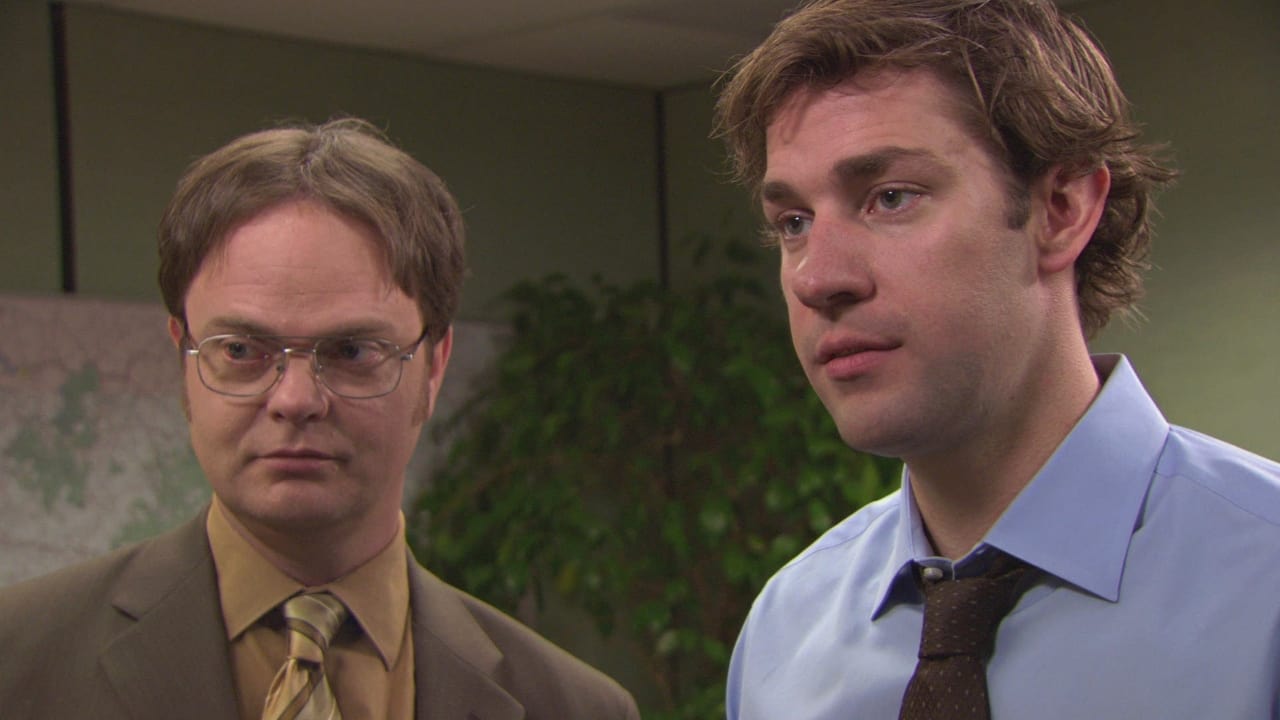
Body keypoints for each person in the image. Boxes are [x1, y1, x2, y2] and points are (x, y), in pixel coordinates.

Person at [715, 1, 1280, 718]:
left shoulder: (1264, 586)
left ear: (1062, 209)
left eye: (891, 198)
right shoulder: (785, 633)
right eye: (794, 223)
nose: (818, 278)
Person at [0, 118, 640, 720]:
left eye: (352, 351)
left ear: (434, 367)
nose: (295, 398)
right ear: (183, 358)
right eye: (242, 351)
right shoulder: (20, 661)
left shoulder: (571, 707)